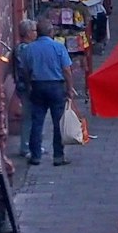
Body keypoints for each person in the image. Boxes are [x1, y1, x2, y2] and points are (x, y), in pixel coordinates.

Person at [16, 19, 73, 167]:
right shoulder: (58, 47)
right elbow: (67, 70)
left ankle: (35, 156)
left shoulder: (29, 49)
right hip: (56, 87)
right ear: (51, 32)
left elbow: (25, 70)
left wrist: (30, 84)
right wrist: (69, 88)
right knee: (57, 123)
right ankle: (58, 156)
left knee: (37, 122)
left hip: (37, 86)